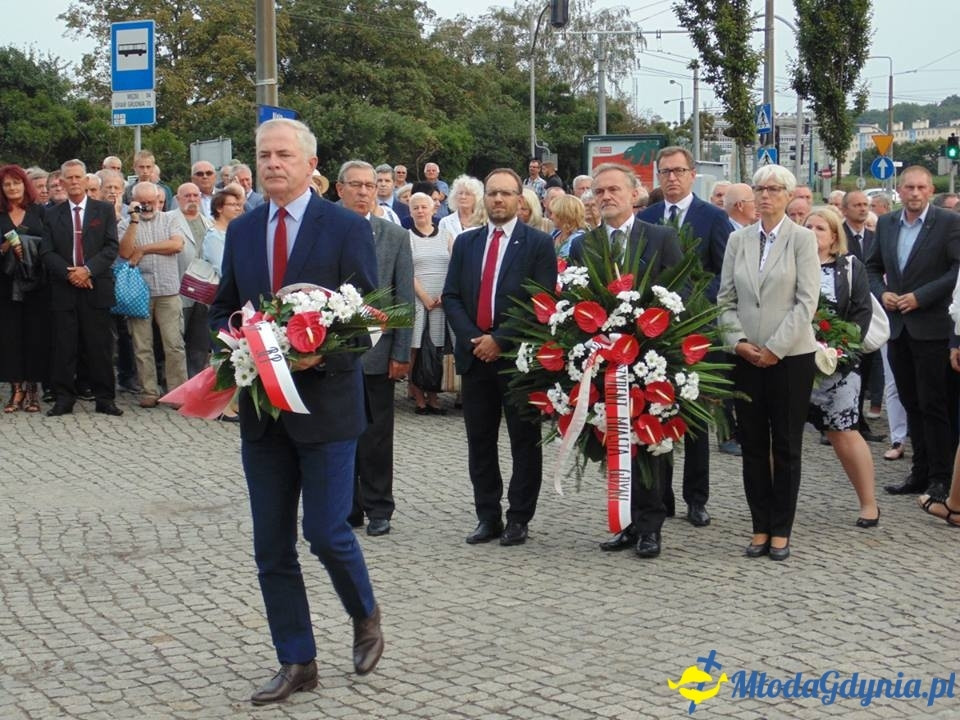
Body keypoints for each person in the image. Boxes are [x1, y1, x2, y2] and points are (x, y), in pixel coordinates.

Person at [209, 118, 384, 705]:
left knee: (326, 532)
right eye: (264, 155)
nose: (272, 164)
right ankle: (297, 659)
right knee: (271, 546)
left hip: (328, 408)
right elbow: (224, 308)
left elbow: (369, 323)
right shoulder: (244, 229)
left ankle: (364, 612)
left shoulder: (345, 226)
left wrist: (317, 357)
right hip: (264, 411)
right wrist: (238, 347)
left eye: (284, 154)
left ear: (312, 164)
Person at [571, 163, 682, 559]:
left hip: (652, 359)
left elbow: (680, 293)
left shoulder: (661, 237)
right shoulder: (584, 244)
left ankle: (652, 526)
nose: (606, 197)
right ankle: (628, 523)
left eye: (614, 190)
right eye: (599, 192)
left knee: (651, 441)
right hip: (606, 361)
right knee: (617, 441)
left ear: (634, 193)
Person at [442, 168, 556, 547]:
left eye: (506, 194)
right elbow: (453, 296)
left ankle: (519, 518)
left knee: (524, 441)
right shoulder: (466, 243)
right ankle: (486, 515)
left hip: (517, 359)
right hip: (475, 357)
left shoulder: (538, 244)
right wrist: (475, 338)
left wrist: (500, 340)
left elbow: (541, 302)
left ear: (520, 199)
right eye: (492, 194)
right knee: (480, 441)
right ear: (483, 198)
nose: (498, 200)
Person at [717, 164, 820, 561]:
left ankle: (782, 528)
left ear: (788, 195)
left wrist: (775, 347)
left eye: (774, 189)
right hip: (746, 356)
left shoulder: (802, 240)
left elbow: (806, 302)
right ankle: (759, 525)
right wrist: (738, 341)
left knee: (787, 445)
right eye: (759, 189)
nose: (765, 196)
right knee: (754, 445)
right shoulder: (738, 240)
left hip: (790, 357)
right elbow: (725, 299)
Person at [639, 146, 731, 528]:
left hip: (697, 331)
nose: (672, 178)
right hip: (651, 335)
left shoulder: (713, 218)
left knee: (693, 419)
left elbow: (724, 275)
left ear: (693, 174)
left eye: (679, 171)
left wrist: (690, 304)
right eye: (665, 172)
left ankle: (697, 498)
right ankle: (661, 498)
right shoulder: (644, 217)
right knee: (657, 414)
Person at [866, 166, 960, 497]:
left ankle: (941, 477)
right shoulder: (888, 223)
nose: (915, 193)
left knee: (935, 405)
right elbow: (872, 266)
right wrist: (882, 292)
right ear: (900, 190)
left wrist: (922, 296)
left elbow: (956, 271)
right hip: (898, 329)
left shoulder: (948, 223)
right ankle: (919, 472)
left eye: (921, 187)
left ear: (931, 190)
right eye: (909, 188)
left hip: (933, 327)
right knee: (910, 402)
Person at [336, 160, 415, 537]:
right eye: (356, 185)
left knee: (377, 434)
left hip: (378, 355)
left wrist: (401, 352)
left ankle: (379, 506)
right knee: (336, 433)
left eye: (369, 186)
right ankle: (346, 507)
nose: (364, 192)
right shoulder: (323, 231)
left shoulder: (394, 236)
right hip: (330, 352)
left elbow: (404, 298)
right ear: (340, 189)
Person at [804, 207, 880, 527]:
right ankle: (777, 507)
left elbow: (861, 313)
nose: (811, 233)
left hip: (839, 364)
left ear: (834, 237)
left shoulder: (850, 267)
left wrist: (839, 350)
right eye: (807, 227)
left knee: (843, 433)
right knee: (780, 434)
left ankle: (869, 503)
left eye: (819, 228)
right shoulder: (791, 264)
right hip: (795, 361)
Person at [40, 159, 122, 417]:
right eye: (69, 178)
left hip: (96, 287)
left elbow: (111, 248)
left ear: (86, 181)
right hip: (64, 288)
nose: (74, 182)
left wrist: (87, 271)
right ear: (61, 182)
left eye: (78, 177)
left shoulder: (103, 210)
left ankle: (105, 398)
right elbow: (47, 252)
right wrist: (71, 274)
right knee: (64, 346)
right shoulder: (51, 214)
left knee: (99, 346)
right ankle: (64, 398)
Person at [118, 182, 187, 408]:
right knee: (142, 345)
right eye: (142, 202)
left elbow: (176, 245)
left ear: (160, 201)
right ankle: (149, 390)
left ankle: (178, 392)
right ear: (133, 201)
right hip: (139, 293)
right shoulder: (126, 224)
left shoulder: (170, 219)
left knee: (174, 344)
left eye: (152, 201)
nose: (147, 206)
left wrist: (144, 249)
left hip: (168, 290)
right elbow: (125, 252)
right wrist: (134, 221)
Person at [0, 164, 50, 413]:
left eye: (16, 183)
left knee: (35, 337)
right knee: (9, 338)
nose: (12, 187)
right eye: (7, 184)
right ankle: (15, 389)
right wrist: (5, 248)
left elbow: (50, 245)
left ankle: (32, 391)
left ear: (24, 184)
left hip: (35, 284)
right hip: (5, 285)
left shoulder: (39, 212)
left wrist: (28, 245)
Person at [408, 192, 449, 415]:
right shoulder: (406, 237)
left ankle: (433, 395)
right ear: (410, 211)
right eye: (416, 208)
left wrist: (446, 293)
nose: (421, 211)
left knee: (437, 347)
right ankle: (417, 395)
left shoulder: (446, 235)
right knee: (416, 347)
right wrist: (423, 296)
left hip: (441, 300)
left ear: (434, 209)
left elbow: (454, 266)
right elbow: (406, 270)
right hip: (418, 298)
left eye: (424, 207)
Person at [168, 182, 214, 378]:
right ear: (178, 199)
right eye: (187, 196)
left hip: (203, 292)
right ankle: (174, 382)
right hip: (178, 286)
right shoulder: (168, 220)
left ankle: (194, 380)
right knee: (176, 340)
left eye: (196, 196)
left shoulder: (209, 222)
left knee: (200, 341)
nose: (192, 200)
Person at [201, 185, 245, 273]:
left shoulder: (235, 233)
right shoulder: (213, 236)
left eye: (238, 205)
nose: (238, 208)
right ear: (219, 208)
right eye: (233, 205)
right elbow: (221, 269)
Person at [438, 175, 485, 253]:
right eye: (460, 193)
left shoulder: (484, 221)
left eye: (468, 194)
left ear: (476, 198)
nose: (463, 197)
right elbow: (441, 250)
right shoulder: (445, 222)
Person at [548, 193, 587, 258]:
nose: (551, 217)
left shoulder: (580, 240)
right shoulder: (554, 234)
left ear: (564, 215)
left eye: (553, 213)